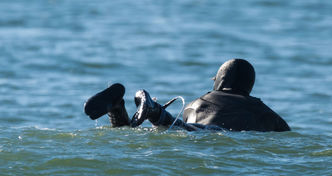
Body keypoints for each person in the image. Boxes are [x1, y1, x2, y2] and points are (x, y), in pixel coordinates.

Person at [84, 59, 290, 132]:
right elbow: (286, 139)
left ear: (218, 81)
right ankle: (154, 111)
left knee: (173, 128)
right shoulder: (265, 113)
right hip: (216, 135)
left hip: (193, 129)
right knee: (186, 130)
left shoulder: (195, 104)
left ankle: (117, 108)